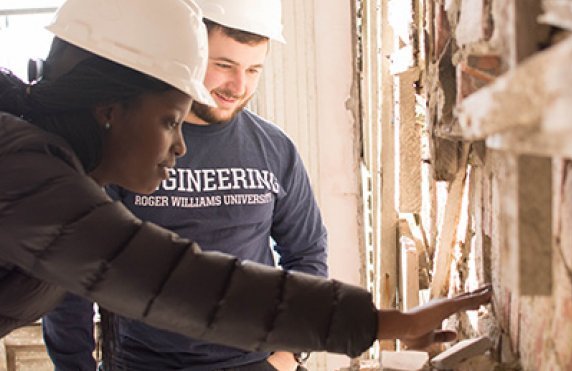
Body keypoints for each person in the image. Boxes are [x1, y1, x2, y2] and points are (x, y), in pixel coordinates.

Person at [0, 0, 492, 368]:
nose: (180, 146)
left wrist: (295, 352)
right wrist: (382, 323)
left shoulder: (41, 164)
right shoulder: (28, 172)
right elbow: (172, 282)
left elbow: (297, 252)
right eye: (171, 121)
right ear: (110, 110)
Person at [43, 1, 328, 370]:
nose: (238, 86)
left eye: (253, 69)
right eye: (224, 66)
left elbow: (307, 252)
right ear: (187, 53)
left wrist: (288, 354)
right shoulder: (126, 147)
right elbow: (72, 274)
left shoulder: (275, 149)